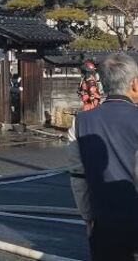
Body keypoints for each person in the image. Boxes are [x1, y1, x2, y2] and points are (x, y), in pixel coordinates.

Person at [68, 53, 138, 260]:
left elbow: (78, 177)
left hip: (103, 222)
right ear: (134, 84)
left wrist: (88, 217)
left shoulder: (79, 123)